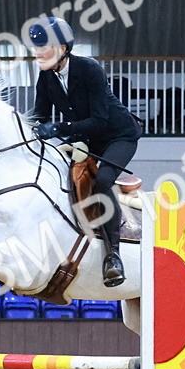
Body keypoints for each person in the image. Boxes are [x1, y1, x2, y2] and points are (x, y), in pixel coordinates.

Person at [29, 16, 141, 287]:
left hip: (117, 135)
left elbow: (99, 120)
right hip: (85, 138)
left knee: (102, 181)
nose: (40, 55)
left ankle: (112, 255)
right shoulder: (46, 77)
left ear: (63, 49)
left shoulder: (89, 69)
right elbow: (39, 116)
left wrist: (59, 129)